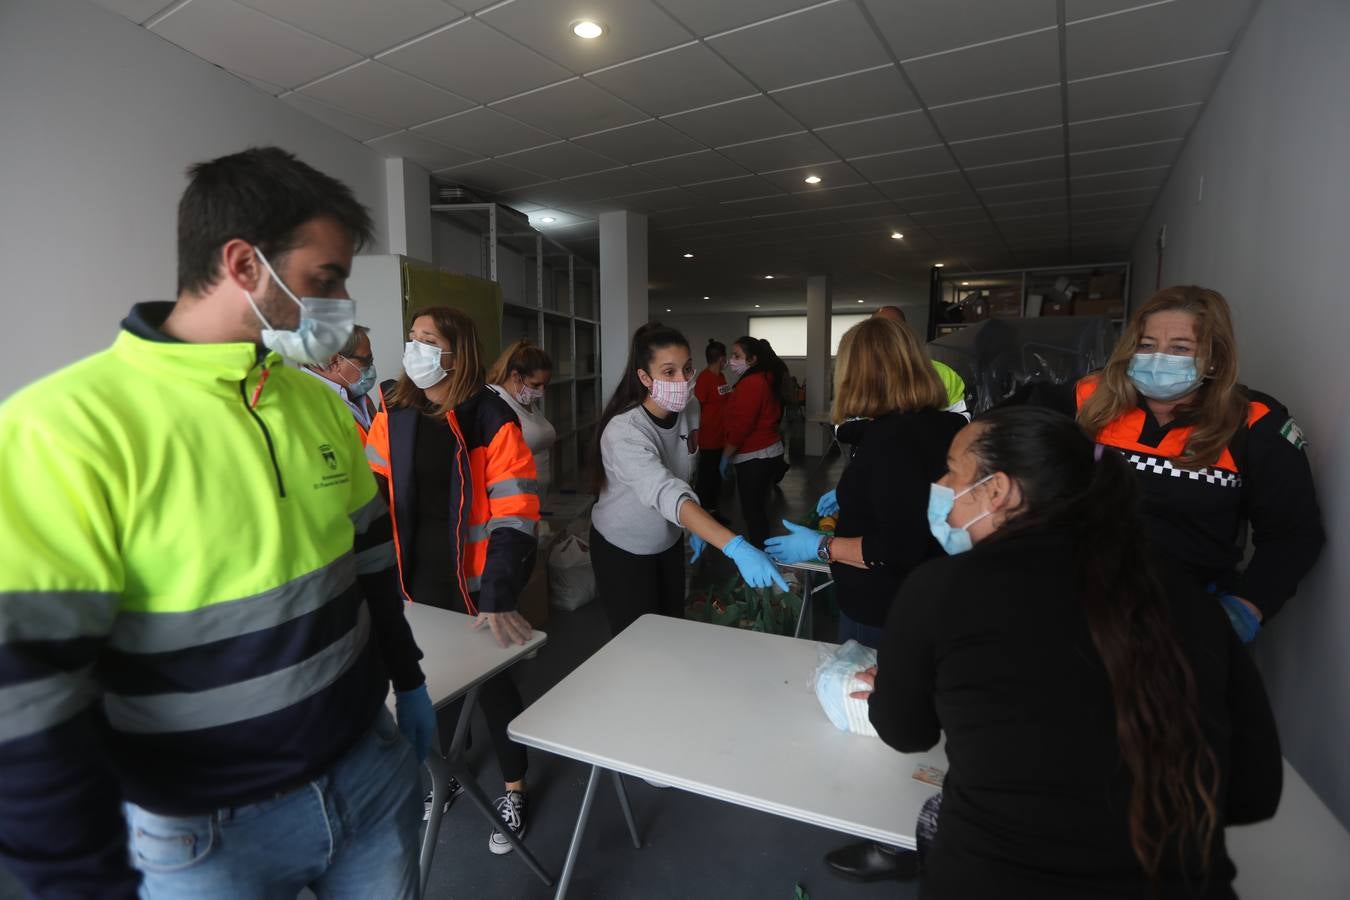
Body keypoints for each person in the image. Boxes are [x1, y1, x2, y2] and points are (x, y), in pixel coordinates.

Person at [0, 147, 432, 899]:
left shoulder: (316, 405)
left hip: (369, 774)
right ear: (243, 265)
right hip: (207, 835)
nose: (338, 304)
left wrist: (410, 680)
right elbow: (24, 697)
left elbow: (369, 568)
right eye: (324, 279)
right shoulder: (62, 430)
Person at [853, 406, 1282, 898]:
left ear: (998, 490)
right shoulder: (1179, 593)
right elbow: (1254, 791)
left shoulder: (941, 590)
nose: (941, 482)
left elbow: (905, 732)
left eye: (953, 468)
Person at [765, 316, 964, 883]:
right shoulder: (939, 427)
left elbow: (895, 546)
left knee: (882, 719)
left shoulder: (890, 441)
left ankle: (891, 839)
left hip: (886, 607)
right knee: (920, 716)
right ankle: (916, 826)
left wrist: (824, 545)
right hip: (926, 598)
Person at [1016, 286, 1323, 641]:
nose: (1158, 358)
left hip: (1181, 617)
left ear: (1213, 359)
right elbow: (1000, 437)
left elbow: (1293, 533)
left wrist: (1246, 607)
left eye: (1180, 348)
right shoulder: (1089, 396)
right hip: (1072, 601)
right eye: (1146, 345)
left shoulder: (1254, 423)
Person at [364, 306, 540, 855]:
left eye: (427, 339)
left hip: (477, 585)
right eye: (412, 337)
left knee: (492, 688)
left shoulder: (490, 416)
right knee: (429, 683)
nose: (414, 347)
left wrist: (499, 592)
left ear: (455, 351)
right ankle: (450, 774)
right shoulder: (393, 408)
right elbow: (371, 498)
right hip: (413, 581)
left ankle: (514, 788)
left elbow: (516, 514)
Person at [589, 323, 786, 638]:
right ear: (644, 377)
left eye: (687, 368)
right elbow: (666, 491)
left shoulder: (690, 408)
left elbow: (682, 474)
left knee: (671, 627)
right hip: (624, 547)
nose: (683, 380)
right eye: (669, 372)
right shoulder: (625, 431)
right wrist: (733, 545)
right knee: (636, 642)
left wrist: (689, 526)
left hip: (667, 539)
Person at [721, 335, 790, 547]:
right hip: (766, 451)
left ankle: (761, 556)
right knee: (758, 510)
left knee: (753, 512)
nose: (731, 360)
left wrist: (726, 455)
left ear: (751, 360)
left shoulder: (752, 382)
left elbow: (743, 425)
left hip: (755, 455)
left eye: (736, 355)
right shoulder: (764, 378)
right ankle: (764, 552)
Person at [486, 338, 556, 494]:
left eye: (545, 385)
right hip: (512, 499)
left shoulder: (523, 397)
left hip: (535, 497)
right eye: (536, 385)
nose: (541, 392)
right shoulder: (494, 401)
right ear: (516, 376)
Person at [874, 305, 968, 415]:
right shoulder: (856, 374)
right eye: (878, 329)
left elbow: (960, 422)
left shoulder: (942, 373)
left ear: (906, 331)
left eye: (895, 327)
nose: (887, 334)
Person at [303, 322, 381, 440]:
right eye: (366, 361)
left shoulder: (355, 394)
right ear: (335, 362)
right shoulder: (306, 404)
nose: (371, 367)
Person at [691, 338, 731, 516]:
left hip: (721, 436)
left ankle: (713, 510)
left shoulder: (721, 377)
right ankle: (702, 512)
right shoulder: (704, 378)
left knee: (715, 477)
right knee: (706, 476)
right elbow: (696, 406)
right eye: (726, 358)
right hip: (708, 437)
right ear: (721, 359)